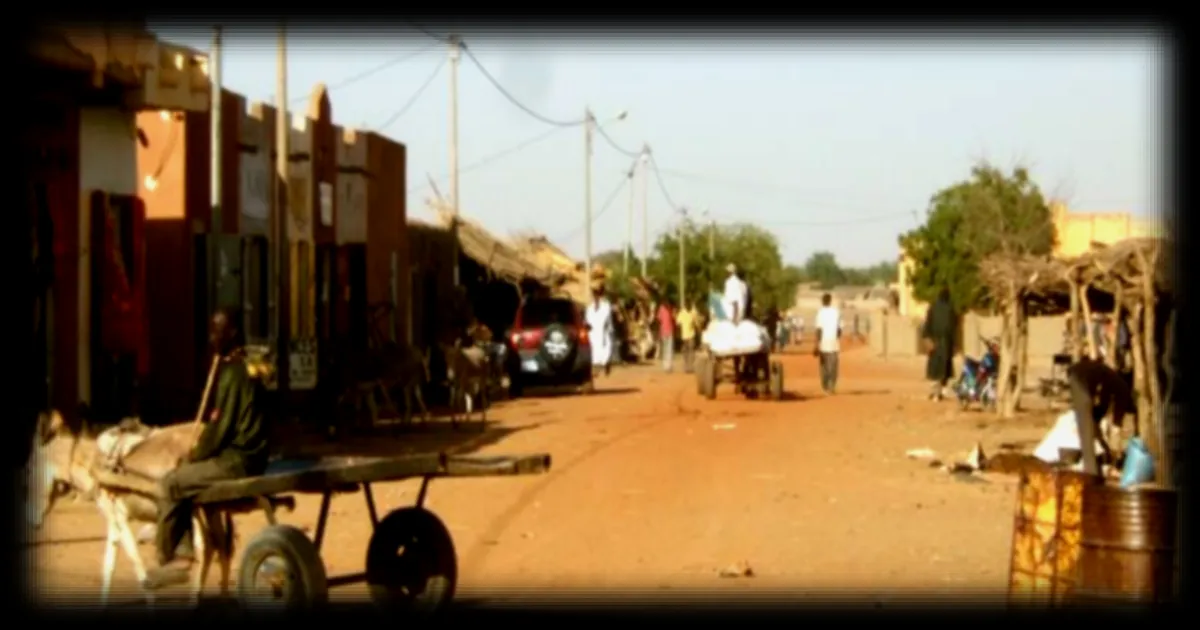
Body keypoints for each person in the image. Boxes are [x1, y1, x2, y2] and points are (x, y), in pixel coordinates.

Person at [144, 308, 271, 589]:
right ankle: (185, 550)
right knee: (186, 477)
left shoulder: (232, 373)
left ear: (233, 333)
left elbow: (219, 430)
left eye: (217, 330)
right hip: (254, 455)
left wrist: (194, 455)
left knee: (170, 483)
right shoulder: (252, 366)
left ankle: (171, 558)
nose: (212, 337)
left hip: (237, 460)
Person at [1067, 357, 1133, 476]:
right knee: (1086, 434)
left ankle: (1092, 467)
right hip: (1080, 382)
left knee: (1087, 430)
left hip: (1078, 377)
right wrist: (1115, 434)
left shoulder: (1112, 377)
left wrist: (1097, 423)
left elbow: (1104, 402)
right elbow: (1114, 420)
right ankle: (1091, 473)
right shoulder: (1123, 391)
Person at [922, 288, 957, 401]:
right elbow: (953, 328)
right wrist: (955, 344)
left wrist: (927, 338)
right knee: (944, 369)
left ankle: (935, 393)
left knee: (935, 368)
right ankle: (940, 391)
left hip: (935, 342)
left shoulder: (932, 307)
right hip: (946, 343)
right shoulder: (950, 309)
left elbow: (927, 325)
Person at [585, 285, 616, 377]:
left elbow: (607, 319)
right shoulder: (590, 308)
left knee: (606, 350)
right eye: (594, 295)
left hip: (604, 332)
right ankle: (596, 370)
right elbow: (587, 319)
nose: (595, 297)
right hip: (593, 333)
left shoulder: (606, 306)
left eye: (597, 295)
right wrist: (587, 326)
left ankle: (606, 364)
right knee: (594, 352)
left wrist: (607, 328)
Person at [814, 293, 842, 394]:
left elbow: (819, 329)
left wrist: (816, 344)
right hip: (833, 341)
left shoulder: (820, 313)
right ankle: (831, 385)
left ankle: (825, 385)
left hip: (823, 342)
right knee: (833, 365)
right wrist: (836, 338)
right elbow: (839, 329)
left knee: (824, 365)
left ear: (822, 301)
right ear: (830, 301)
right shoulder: (836, 312)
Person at [676, 301, 699, 373]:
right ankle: (689, 366)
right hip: (688, 335)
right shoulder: (690, 312)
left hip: (687, 335)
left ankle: (689, 366)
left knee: (688, 351)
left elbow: (677, 323)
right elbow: (696, 323)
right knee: (689, 351)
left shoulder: (685, 312)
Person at [657, 300, 676, 372]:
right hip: (666, 331)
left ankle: (668, 366)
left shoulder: (666, 308)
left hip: (667, 331)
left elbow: (659, 319)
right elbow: (659, 320)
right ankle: (667, 366)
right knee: (667, 349)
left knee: (668, 349)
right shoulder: (665, 308)